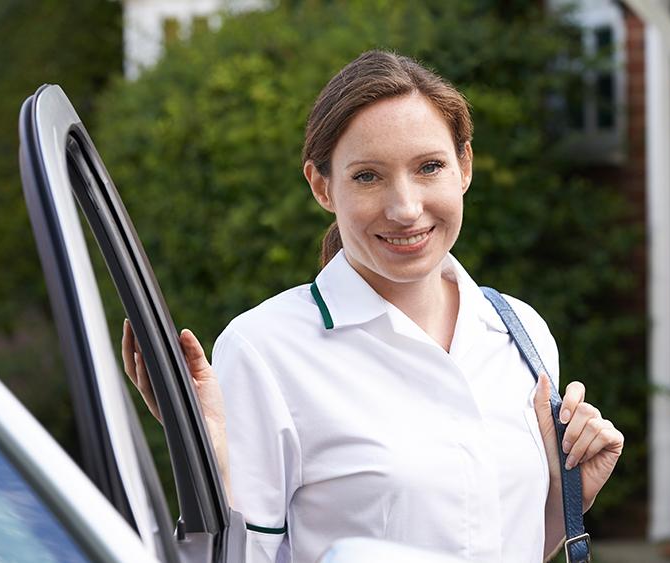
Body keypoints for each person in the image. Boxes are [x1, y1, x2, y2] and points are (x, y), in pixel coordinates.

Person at [121, 50, 624, 562]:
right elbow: (234, 557)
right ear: (322, 186)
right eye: (368, 176)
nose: (405, 209)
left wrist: (568, 499)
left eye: (429, 167)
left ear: (464, 166)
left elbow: (502, 546)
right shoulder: (265, 351)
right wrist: (210, 466)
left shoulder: (521, 333)